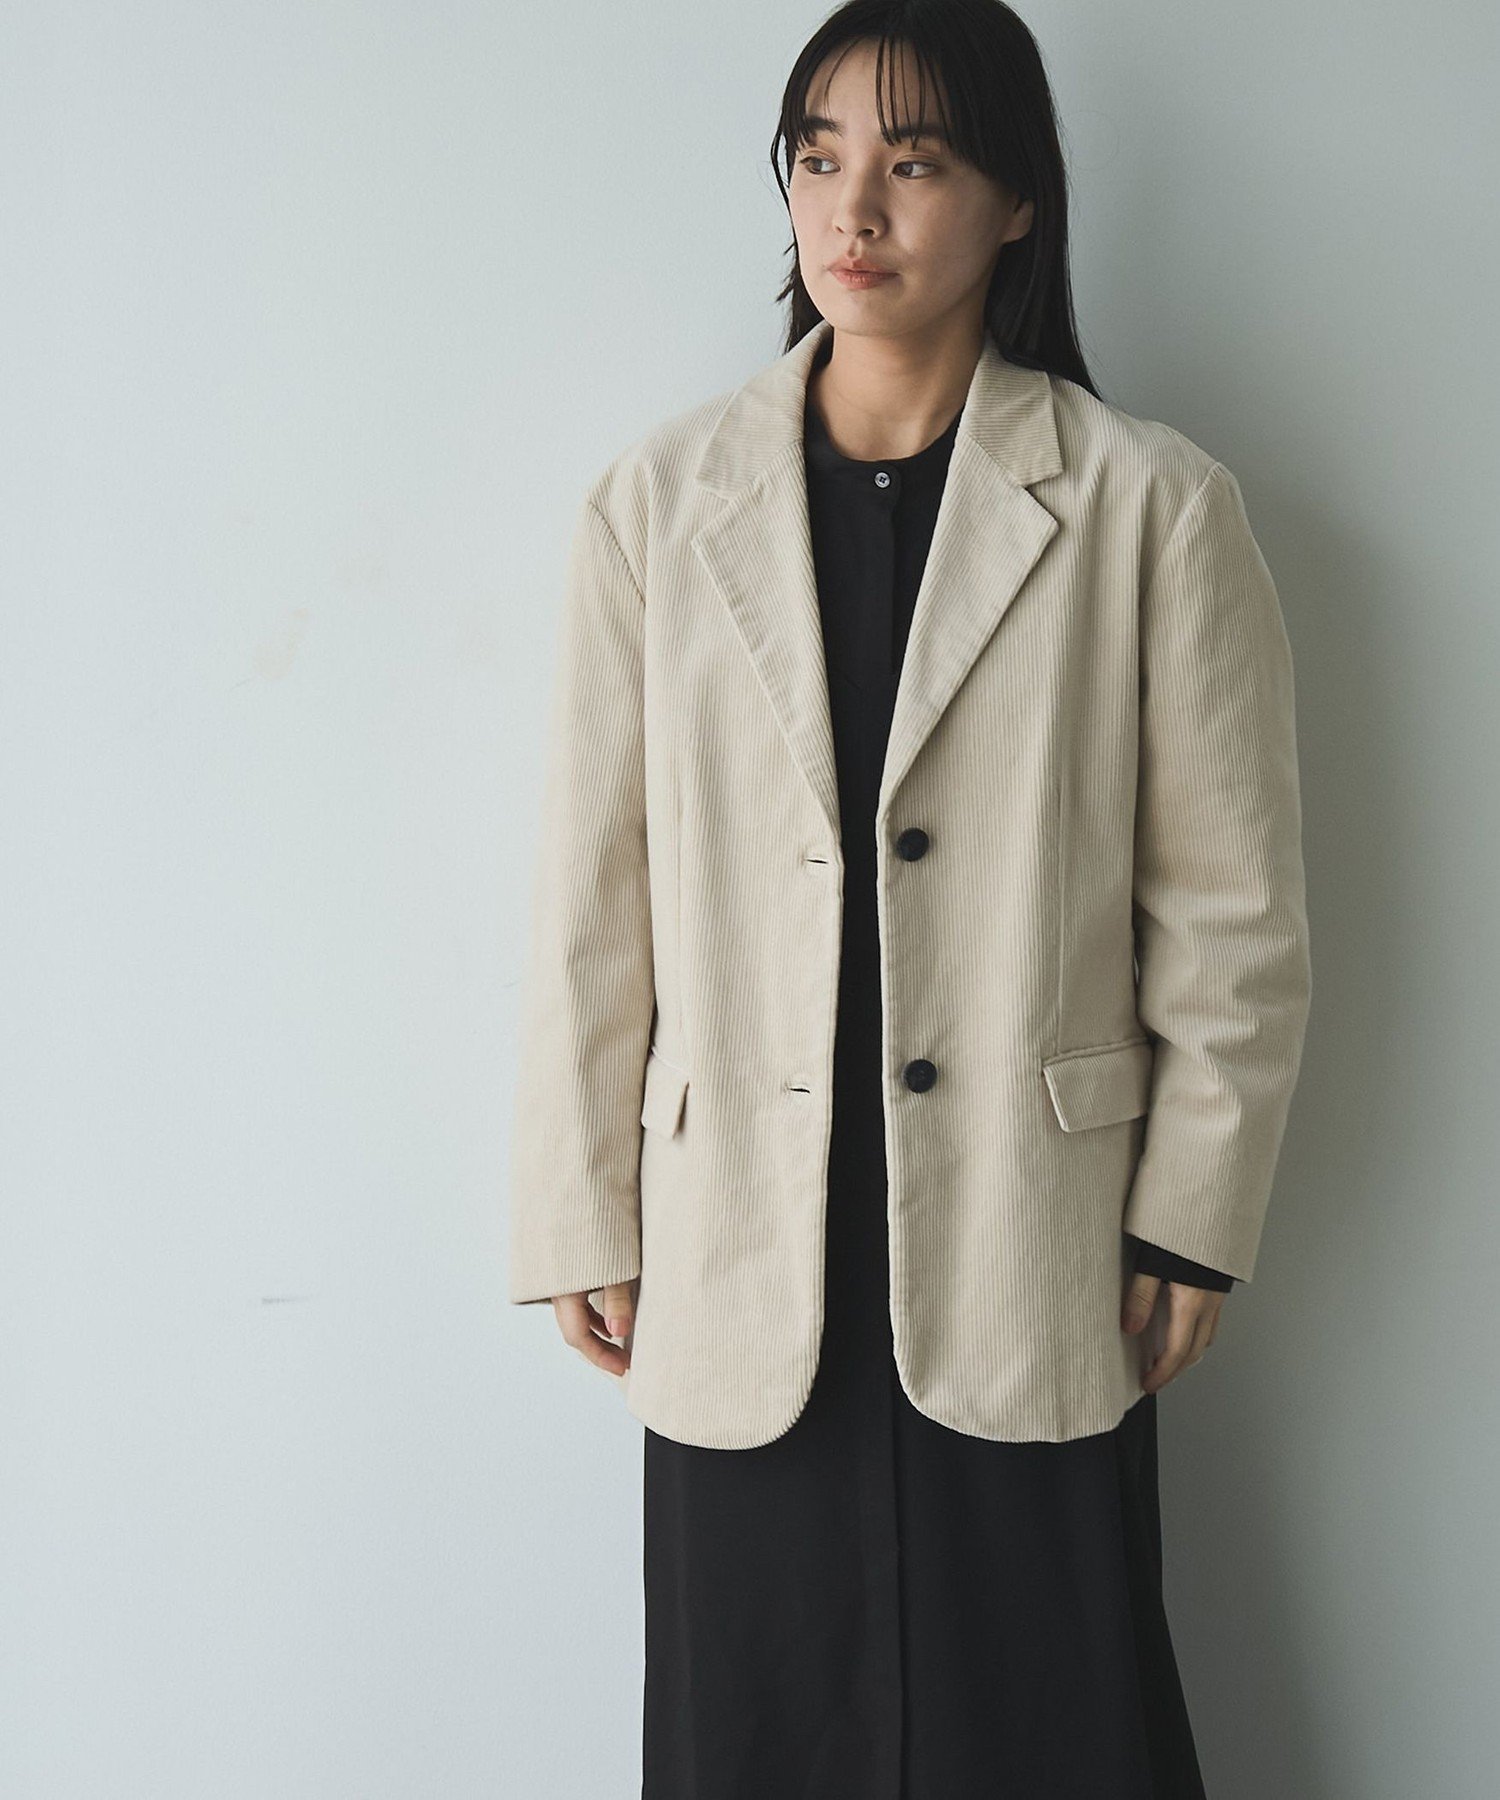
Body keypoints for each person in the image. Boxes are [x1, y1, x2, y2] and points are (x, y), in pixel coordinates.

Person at [508, 4, 1312, 1794]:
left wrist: (1196, 1213)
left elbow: (1235, 912)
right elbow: (592, 892)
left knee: (1047, 1720)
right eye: (819, 157)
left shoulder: (1150, 507)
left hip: (1033, 1225)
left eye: (915, 160)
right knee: (755, 1721)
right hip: (741, 1229)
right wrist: (575, 1201)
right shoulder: (658, 508)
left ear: (1017, 200)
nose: (852, 207)